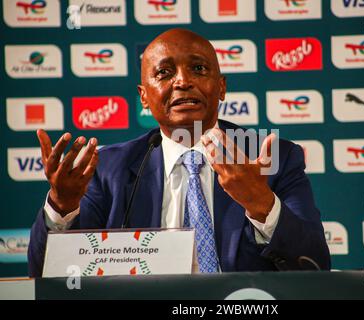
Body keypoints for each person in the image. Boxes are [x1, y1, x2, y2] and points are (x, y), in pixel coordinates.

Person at [28, 28, 330, 277]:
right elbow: (46, 276)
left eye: (198, 69)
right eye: (165, 73)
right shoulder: (108, 168)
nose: (183, 82)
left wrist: (261, 203)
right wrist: (62, 207)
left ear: (221, 87)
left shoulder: (270, 157)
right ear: (144, 97)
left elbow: (314, 265)